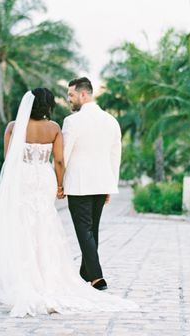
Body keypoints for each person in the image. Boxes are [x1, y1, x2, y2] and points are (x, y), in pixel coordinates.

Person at [0, 88, 138, 317]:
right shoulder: (54, 128)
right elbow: (58, 160)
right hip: (43, 179)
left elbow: (9, 160)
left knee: (22, 223)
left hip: (23, 179)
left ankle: (24, 276)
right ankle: (52, 276)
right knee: (44, 222)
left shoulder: (13, 127)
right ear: (48, 105)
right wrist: (59, 185)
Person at [62, 77, 122, 291]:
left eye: (71, 95)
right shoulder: (111, 121)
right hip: (101, 182)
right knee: (92, 229)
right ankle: (84, 273)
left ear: (83, 94)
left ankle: (97, 278)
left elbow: (63, 154)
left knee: (84, 230)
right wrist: (110, 185)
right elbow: (115, 156)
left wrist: (59, 182)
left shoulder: (72, 122)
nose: (69, 99)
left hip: (78, 183)